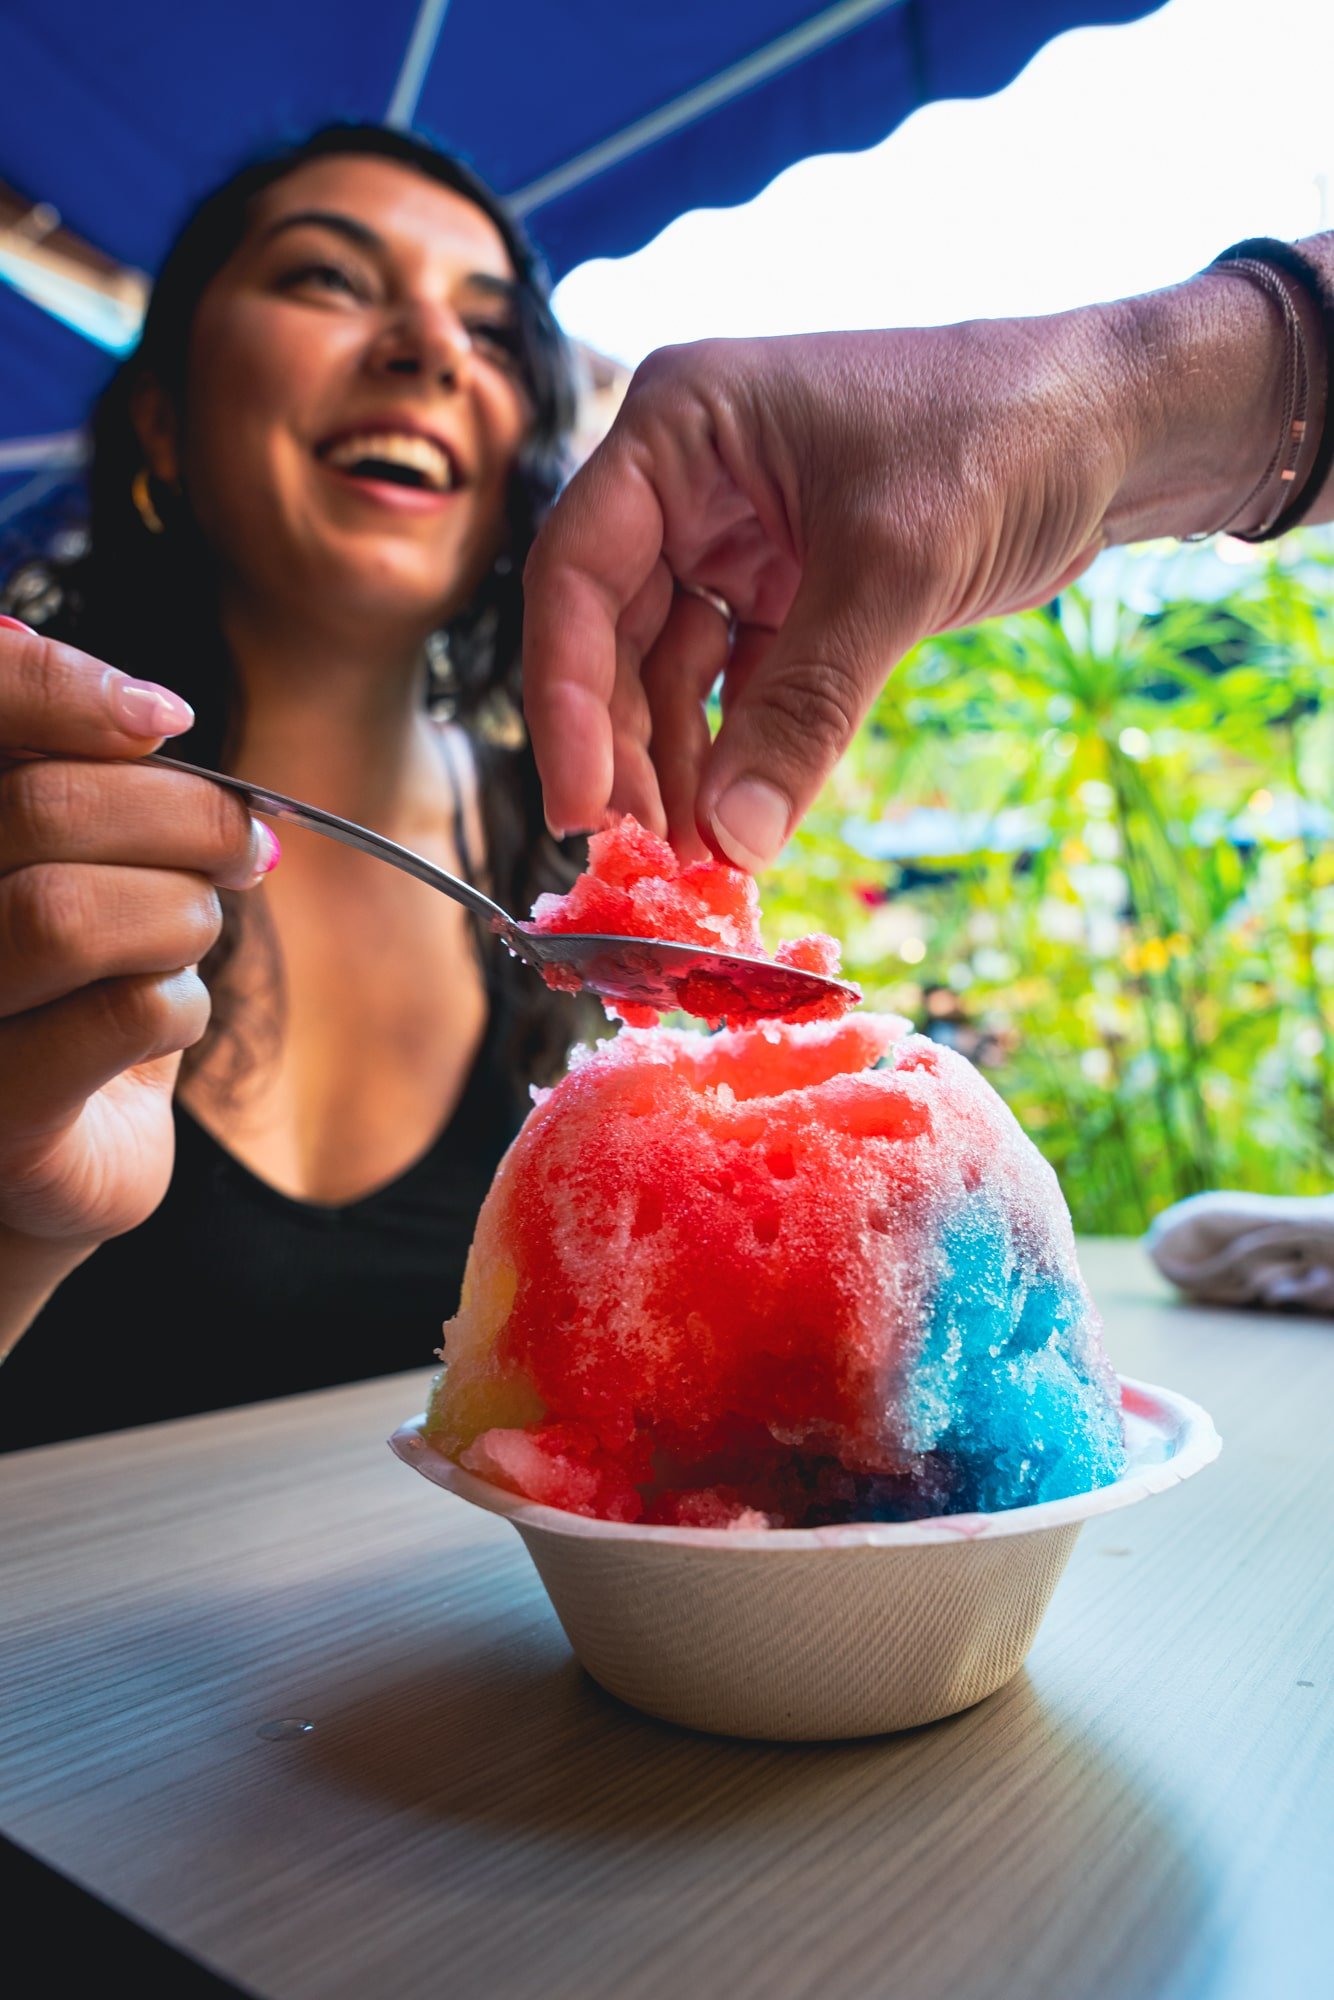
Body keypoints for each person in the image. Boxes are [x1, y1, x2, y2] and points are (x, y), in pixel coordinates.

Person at [0, 124, 593, 1451]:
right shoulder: (14, 844)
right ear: (162, 416)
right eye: (327, 279)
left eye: (491, 333)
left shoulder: (587, 874)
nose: (429, 350)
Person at [521, 232, 1334, 872]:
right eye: (382, 293)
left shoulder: (522, 822)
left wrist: (1121, 391)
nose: (427, 357)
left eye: (491, 328)